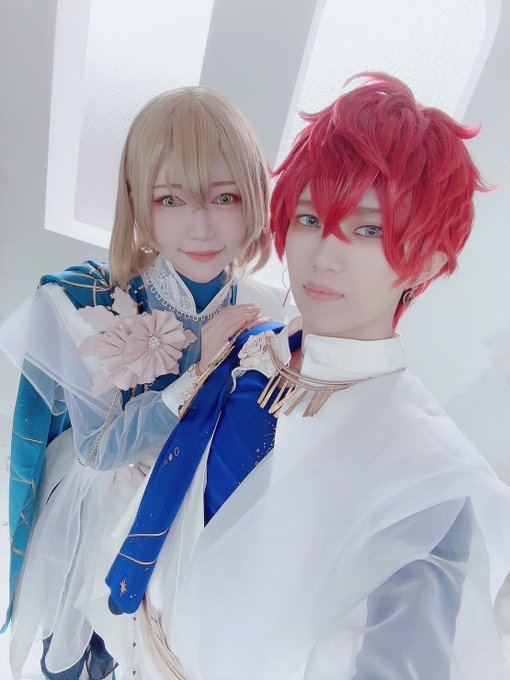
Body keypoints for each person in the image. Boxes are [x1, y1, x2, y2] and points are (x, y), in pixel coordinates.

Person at [88, 73, 510, 679]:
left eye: (369, 230)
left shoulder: (426, 475)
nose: (323, 256)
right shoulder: (251, 345)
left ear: (428, 260)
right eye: (310, 219)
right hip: (135, 645)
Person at [0, 86, 294, 679]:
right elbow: (99, 449)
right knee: (77, 647)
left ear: (255, 199)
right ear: (138, 203)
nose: (201, 225)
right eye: (171, 199)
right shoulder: (92, 301)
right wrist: (196, 371)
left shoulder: (269, 308)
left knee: (157, 650)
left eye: (225, 196)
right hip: (98, 510)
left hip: (190, 512)